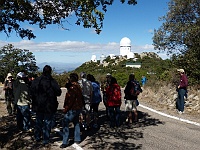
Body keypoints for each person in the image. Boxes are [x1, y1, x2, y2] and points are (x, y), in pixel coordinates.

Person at [30, 65, 62, 146]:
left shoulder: (36, 80)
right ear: (50, 72)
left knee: (38, 121)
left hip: (38, 105)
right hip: (49, 105)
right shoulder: (52, 81)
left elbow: (31, 92)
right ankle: (45, 139)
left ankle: (37, 136)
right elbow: (58, 92)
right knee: (47, 123)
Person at [60, 73, 83, 148]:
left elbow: (70, 100)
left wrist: (66, 109)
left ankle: (65, 141)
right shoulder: (78, 86)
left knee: (65, 122)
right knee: (76, 123)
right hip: (78, 108)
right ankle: (77, 138)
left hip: (72, 109)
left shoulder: (73, 88)